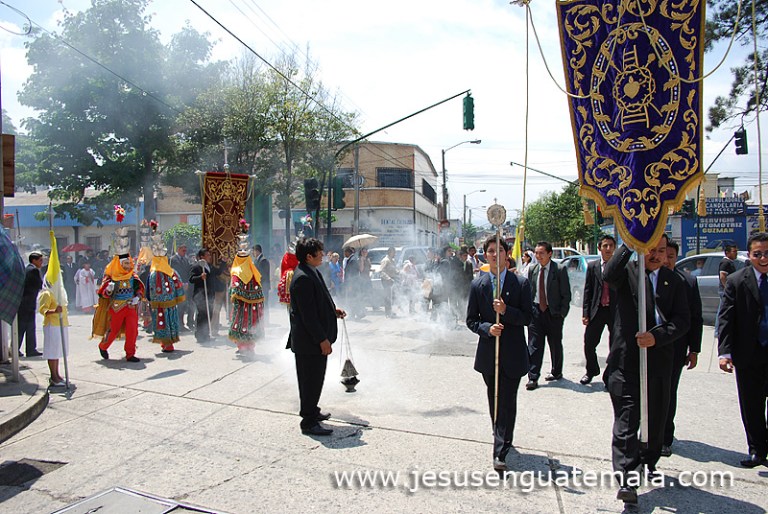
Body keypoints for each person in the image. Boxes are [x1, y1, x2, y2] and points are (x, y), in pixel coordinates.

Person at [603, 234, 690, 504]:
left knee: (653, 422)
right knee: (627, 422)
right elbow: (608, 273)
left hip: (658, 363)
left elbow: (683, 320)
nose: (655, 255)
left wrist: (658, 336)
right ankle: (627, 478)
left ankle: (647, 460)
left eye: (661, 250)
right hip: (626, 362)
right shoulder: (628, 273)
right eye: (650, 249)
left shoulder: (674, 281)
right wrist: (631, 240)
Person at [467, 235, 532, 471]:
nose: (495, 255)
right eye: (491, 251)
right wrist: (487, 328)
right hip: (488, 353)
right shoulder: (478, 285)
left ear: (507, 255)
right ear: (486, 255)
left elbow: (528, 317)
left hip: (513, 353)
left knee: (507, 400)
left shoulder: (521, 283)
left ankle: (500, 449)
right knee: (494, 398)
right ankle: (500, 434)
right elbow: (471, 320)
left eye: (500, 251)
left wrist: (506, 311)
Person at [718, 231, 768, 468]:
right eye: (758, 254)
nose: (763, 258)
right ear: (750, 255)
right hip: (749, 353)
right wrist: (724, 353)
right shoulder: (737, 281)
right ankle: (757, 450)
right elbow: (726, 318)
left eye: (767, 253)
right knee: (751, 405)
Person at [287, 238, 346, 436]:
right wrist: (322, 340)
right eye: (319, 253)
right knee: (309, 379)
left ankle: (313, 410)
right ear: (308, 256)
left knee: (316, 378)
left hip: (314, 340)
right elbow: (308, 316)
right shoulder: (302, 278)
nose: (322, 255)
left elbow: (319, 301)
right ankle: (308, 421)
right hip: (309, 342)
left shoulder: (312, 271)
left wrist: (333, 311)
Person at [662, 238, 702, 457]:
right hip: (650, 346)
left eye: (670, 256)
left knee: (669, 391)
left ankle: (666, 437)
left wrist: (694, 349)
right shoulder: (647, 279)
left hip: (677, 347)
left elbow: (695, 318)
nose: (666, 260)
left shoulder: (687, 282)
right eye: (662, 254)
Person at [526, 241, 571, 390]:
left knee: (555, 344)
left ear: (550, 254)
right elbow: (530, 291)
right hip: (536, 312)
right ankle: (533, 376)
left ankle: (556, 371)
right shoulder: (533, 269)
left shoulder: (559, 269)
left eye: (541, 253)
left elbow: (566, 294)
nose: (538, 256)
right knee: (534, 345)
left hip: (553, 314)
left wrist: (562, 313)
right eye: (536, 253)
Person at [580, 235, 617, 386]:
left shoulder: (620, 266)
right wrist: (585, 313)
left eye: (611, 246)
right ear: (599, 248)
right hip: (597, 310)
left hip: (614, 311)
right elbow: (588, 291)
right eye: (605, 246)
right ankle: (591, 370)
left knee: (615, 345)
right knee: (589, 343)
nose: (608, 249)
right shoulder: (593, 266)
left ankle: (610, 376)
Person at [96, 251, 146, 362]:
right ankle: (103, 346)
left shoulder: (133, 276)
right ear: (120, 264)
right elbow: (103, 293)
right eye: (126, 264)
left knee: (132, 331)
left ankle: (130, 354)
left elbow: (139, 288)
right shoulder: (112, 277)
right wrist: (108, 290)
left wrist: (138, 297)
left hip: (131, 306)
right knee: (113, 330)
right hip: (117, 307)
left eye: (129, 263)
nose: (128, 266)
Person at [146, 237, 186, 353]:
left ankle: (166, 344)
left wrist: (149, 300)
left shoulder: (153, 274)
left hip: (159, 305)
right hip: (171, 304)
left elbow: (149, 290)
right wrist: (179, 297)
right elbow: (179, 285)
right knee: (169, 322)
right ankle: (168, 344)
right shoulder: (171, 272)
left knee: (162, 322)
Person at [229, 234, 266, 356]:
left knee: (244, 324)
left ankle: (244, 346)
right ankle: (248, 346)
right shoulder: (252, 269)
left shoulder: (237, 270)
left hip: (241, 305)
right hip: (250, 305)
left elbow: (234, 289)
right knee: (249, 324)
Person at [38, 280, 69, 387]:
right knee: (52, 351)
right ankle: (53, 376)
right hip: (52, 325)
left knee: (57, 351)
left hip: (61, 324)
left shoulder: (60, 292)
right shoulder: (46, 293)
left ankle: (57, 374)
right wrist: (54, 311)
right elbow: (42, 309)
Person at [18, 252, 44, 357]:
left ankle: (30, 349)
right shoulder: (33, 270)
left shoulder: (28, 269)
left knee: (29, 327)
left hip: (26, 303)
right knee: (23, 327)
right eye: (40, 260)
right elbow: (38, 284)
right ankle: (19, 348)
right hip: (27, 303)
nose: (42, 263)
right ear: (34, 260)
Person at [189, 248, 217, 343]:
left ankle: (206, 334)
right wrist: (200, 277)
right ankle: (200, 335)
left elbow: (217, 274)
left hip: (209, 295)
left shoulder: (209, 266)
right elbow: (191, 279)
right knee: (202, 315)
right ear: (202, 257)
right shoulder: (196, 266)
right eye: (207, 255)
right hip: (200, 295)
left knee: (209, 314)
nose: (209, 257)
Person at [715, 243, 739, 340]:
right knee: (722, 309)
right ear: (727, 253)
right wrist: (727, 288)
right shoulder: (725, 262)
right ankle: (717, 331)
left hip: (727, 290)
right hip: (724, 290)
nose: (736, 253)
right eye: (734, 251)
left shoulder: (730, 262)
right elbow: (722, 276)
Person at [170, 244, 194, 331]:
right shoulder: (173, 260)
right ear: (179, 249)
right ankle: (180, 324)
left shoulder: (186, 259)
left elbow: (188, 271)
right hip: (178, 286)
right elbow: (175, 272)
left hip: (187, 285)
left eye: (185, 251)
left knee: (186, 305)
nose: (185, 253)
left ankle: (189, 323)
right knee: (180, 306)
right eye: (183, 251)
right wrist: (181, 283)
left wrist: (187, 282)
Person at [253, 244, 271, 322]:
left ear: (257, 251)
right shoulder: (256, 260)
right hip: (259, 285)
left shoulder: (263, 260)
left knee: (264, 302)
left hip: (263, 285)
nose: (253, 253)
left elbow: (263, 274)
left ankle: (266, 319)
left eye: (253, 251)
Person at [379, 247, 399, 318]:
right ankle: (388, 313)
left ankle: (390, 311)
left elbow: (394, 269)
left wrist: (398, 272)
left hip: (392, 280)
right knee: (387, 297)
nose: (395, 254)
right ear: (390, 252)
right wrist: (388, 278)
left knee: (391, 297)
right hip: (386, 281)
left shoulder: (392, 260)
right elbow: (381, 272)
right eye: (394, 252)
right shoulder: (385, 260)